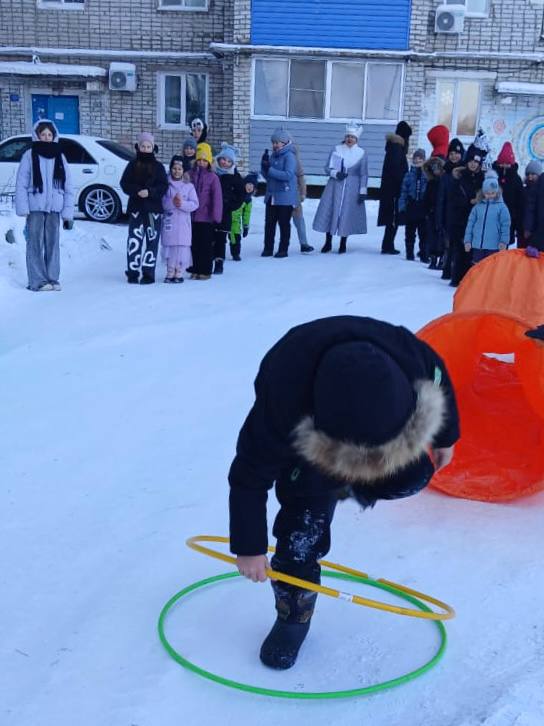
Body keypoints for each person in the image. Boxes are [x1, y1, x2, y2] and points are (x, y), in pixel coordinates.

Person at [229, 315, 460, 670]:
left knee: (412, 475)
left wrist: (445, 435)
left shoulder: (408, 356)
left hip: (383, 422)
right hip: (310, 447)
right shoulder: (282, 401)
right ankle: (294, 615)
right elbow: (249, 475)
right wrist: (249, 546)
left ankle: (367, 474)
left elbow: (438, 373)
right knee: (300, 532)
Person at [15, 119, 74, 292]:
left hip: (54, 207)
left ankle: (52, 278)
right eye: (43, 134)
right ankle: (37, 281)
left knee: (53, 244)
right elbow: (21, 183)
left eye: (50, 134)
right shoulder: (30, 155)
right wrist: (23, 208)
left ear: (54, 136)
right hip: (35, 207)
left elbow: (68, 185)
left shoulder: (59, 156)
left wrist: (67, 212)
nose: (47, 137)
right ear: (37, 136)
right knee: (35, 243)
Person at [120, 132, 168, 285]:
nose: (146, 149)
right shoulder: (132, 164)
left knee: (152, 242)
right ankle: (133, 272)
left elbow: (163, 186)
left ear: (153, 148)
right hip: (136, 209)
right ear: (138, 147)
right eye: (143, 146)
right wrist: (136, 191)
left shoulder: (159, 167)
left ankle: (148, 273)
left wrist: (150, 192)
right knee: (134, 241)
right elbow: (124, 183)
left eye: (149, 146)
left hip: (153, 210)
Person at [313, 123, 369, 254]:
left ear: (357, 139)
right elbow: (327, 168)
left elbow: (364, 173)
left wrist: (362, 190)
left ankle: (343, 243)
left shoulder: (362, 153)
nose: (350, 139)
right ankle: (328, 242)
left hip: (352, 187)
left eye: (352, 137)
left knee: (346, 214)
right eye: (348, 136)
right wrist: (335, 173)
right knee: (331, 212)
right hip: (335, 187)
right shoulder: (336, 149)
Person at [447, 145, 485, 287]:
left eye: (476, 162)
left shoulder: (483, 180)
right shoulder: (460, 178)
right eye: (471, 161)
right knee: (461, 250)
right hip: (461, 220)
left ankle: (471, 281)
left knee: (474, 253)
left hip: (477, 222)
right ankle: (457, 278)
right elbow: (453, 199)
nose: (473, 164)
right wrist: (468, 202)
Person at [260, 129, 298, 258]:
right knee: (269, 224)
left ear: (285, 143)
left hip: (285, 197)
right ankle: (268, 248)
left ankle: (283, 249)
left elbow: (288, 175)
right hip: (271, 196)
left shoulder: (289, 156)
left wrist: (270, 170)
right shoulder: (273, 156)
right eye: (273, 142)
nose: (275, 145)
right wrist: (263, 166)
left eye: (278, 142)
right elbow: (267, 176)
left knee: (283, 224)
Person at [161, 156, 199, 283]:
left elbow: (194, 204)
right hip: (170, 222)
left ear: (184, 170)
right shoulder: (166, 185)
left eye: (179, 169)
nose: (176, 171)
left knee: (182, 249)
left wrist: (181, 204)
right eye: (174, 168)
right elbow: (163, 203)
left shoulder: (189, 186)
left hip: (183, 224)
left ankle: (179, 272)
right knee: (171, 248)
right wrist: (172, 202)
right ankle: (170, 271)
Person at [377, 120, 412, 255]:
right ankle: (387, 245)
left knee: (392, 219)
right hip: (394, 190)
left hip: (390, 189)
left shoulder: (393, 147)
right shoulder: (397, 148)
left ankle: (388, 244)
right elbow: (396, 171)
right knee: (393, 218)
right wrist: (403, 186)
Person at [189, 144, 223, 280]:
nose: (202, 163)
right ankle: (195, 269)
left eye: (204, 160)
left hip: (206, 217)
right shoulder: (190, 175)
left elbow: (217, 198)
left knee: (205, 245)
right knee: (194, 244)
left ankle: (205, 270)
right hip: (192, 216)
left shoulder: (213, 177)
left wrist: (216, 215)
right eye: (199, 160)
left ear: (209, 161)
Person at [212, 144, 245, 275]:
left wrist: (230, 205)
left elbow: (241, 195)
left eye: (229, 161)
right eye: (223, 159)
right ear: (219, 159)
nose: (225, 163)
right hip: (210, 212)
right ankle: (208, 259)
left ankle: (219, 263)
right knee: (210, 238)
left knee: (221, 239)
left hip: (224, 213)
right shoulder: (212, 173)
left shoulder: (235, 177)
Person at [464, 176, 511, 265]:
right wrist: (467, 241)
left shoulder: (502, 208)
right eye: (487, 193)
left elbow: (505, 226)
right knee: (477, 267)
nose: (490, 195)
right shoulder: (477, 207)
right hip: (478, 245)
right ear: (483, 193)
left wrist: (504, 242)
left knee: (490, 268)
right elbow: (470, 224)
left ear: (497, 192)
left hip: (494, 246)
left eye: (492, 193)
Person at [436, 138, 465, 279]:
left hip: (462, 214)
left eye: (457, 153)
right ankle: (446, 268)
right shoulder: (445, 173)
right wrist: (439, 217)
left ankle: (456, 270)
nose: (454, 156)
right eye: (452, 153)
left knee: (459, 245)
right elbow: (440, 198)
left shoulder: (465, 172)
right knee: (448, 243)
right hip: (448, 214)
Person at [492, 142, 524, 248]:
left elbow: (519, 204)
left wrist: (515, 221)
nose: (504, 166)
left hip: (508, 221)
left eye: (507, 163)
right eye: (502, 163)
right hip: (492, 220)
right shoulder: (492, 176)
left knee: (502, 249)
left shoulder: (516, 179)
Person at [399, 149, 428, 261]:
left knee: (424, 233)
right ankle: (409, 253)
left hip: (422, 207)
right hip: (411, 206)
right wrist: (402, 207)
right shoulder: (409, 175)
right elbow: (403, 191)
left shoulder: (426, 174)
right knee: (410, 232)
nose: (417, 160)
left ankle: (424, 254)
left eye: (420, 158)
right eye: (416, 158)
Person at [423, 156, 445, 270]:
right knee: (432, 236)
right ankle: (433, 258)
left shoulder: (444, 181)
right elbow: (426, 198)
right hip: (431, 213)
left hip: (442, 212)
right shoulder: (431, 182)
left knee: (441, 236)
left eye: (438, 168)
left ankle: (441, 258)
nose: (436, 171)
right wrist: (426, 210)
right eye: (434, 169)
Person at [230, 172, 258, 261]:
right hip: (226, 217)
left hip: (235, 222)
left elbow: (246, 214)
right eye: (248, 184)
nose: (249, 187)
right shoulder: (236, 193)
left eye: (252, 185)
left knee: (236, 237)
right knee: (220, 238)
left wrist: (245, 226)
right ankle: (217, 254)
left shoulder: (248, 201)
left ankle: (235, 254)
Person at [291, 144, 314, 253]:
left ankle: (304, 243)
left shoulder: (296, 163)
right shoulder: (277, 160)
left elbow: (301, 179)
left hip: (295, 197)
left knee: (299, 221)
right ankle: (279, 245)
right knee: (282, 222)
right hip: (281, 198)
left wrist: (303, 194)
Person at [522, 160, 542, 254]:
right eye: (528, 174)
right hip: (526, 229)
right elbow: (529, 210)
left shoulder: (539, 189)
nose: (530, 177)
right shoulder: (524, 189)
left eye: (533, 174)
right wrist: (527, 227)